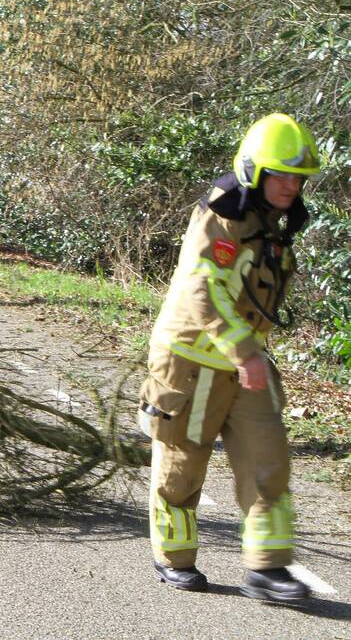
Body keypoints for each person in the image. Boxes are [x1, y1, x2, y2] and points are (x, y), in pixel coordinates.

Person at [139, 113, 320, 602]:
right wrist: (245, 350)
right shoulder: (224, 214)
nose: (290, 185)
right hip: (192, 362)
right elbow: (204, 291)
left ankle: (268, 569)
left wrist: (249, 354)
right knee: (182, 467)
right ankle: (174, 558)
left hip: (245, 366)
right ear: (254, 171)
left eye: (297, 177)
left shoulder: (271, 221)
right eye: (280, 174)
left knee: (268, 461)